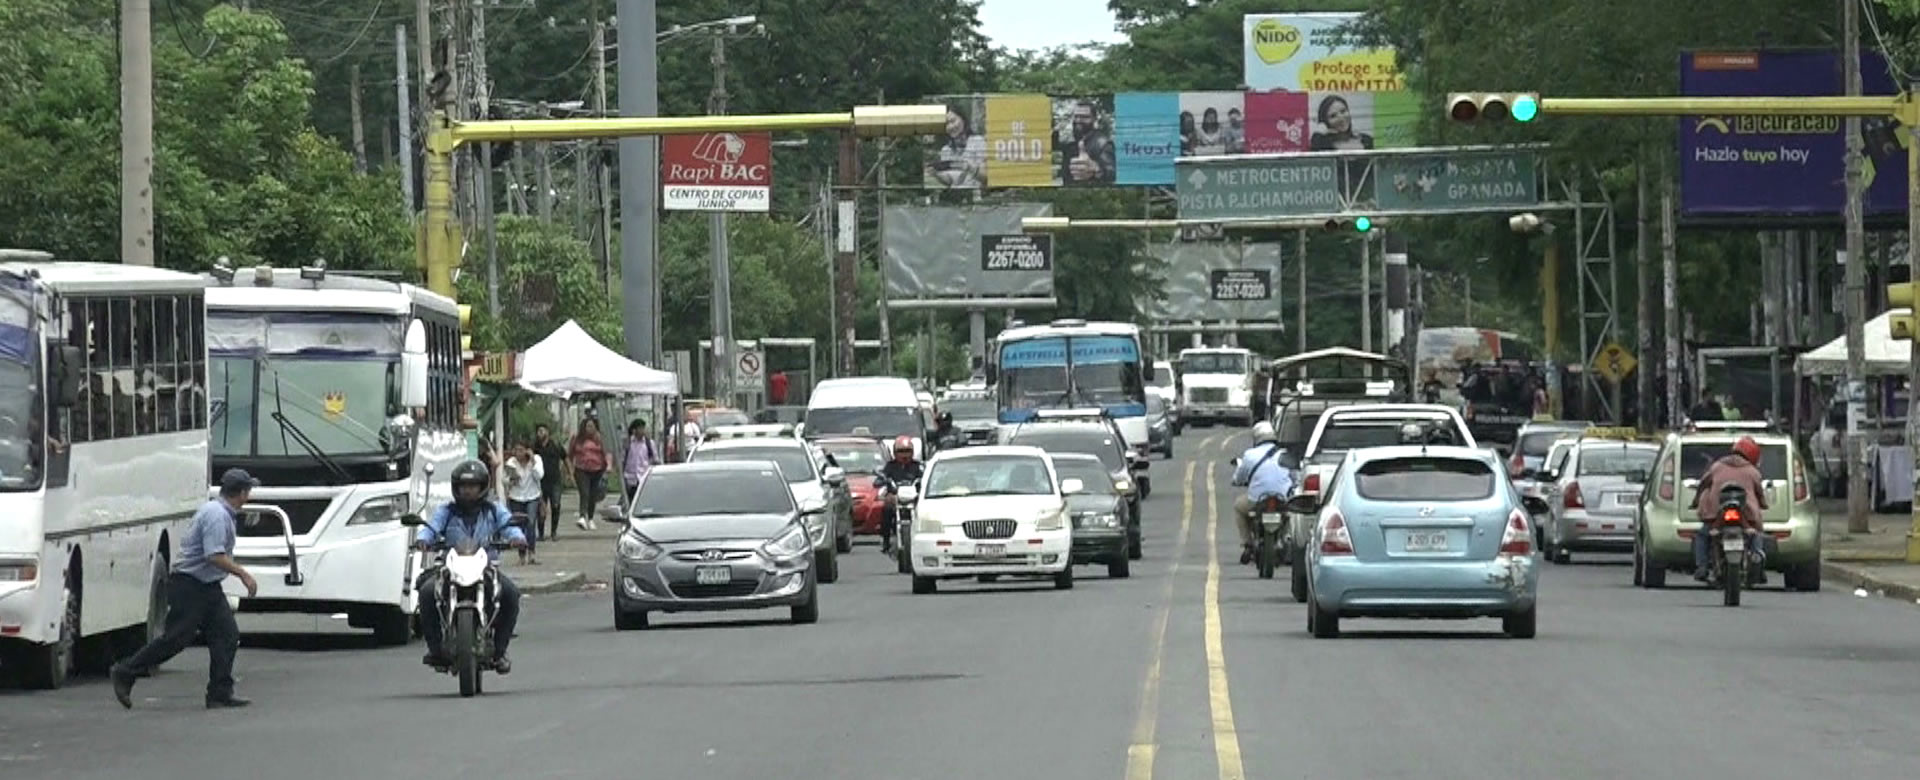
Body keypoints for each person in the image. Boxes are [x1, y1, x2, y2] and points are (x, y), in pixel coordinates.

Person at [111, 469, 262, 709]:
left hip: (207, 585)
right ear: (241, 492)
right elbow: (214, 556)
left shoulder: (222, 512)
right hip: (190, 584)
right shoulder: (216, 515)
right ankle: (125, 671)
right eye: (248, 492)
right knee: (175, 639)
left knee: (227, 635)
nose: (249, 497)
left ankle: (220, 692)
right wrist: (243, 574)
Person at [417, 460, 528, 673]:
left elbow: (508, 525)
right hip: (451, 566)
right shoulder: (447, 511)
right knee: (426, 591)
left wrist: (517, 538)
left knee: (511, 594)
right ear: (456, 488)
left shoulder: (493, 510)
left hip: (485, 567)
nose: (467, 491)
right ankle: (435, 650)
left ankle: (500, 651)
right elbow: (431, 527)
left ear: (482, 487)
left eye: (473, 486)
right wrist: (424, 539)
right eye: (463, 486)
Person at [1690, 436, 1770, 584]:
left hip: (1715, 514)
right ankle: (1758, 563)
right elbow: (1759, 494)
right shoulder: (1753, 472)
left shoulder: (1717, 467)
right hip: (1747, 515)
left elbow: (1703, 484)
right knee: (1756, 535)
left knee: (1702, 535)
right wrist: (1763, 504)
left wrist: (1696, 501)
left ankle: (1701, 566)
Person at [1230, 422, 1295, 565]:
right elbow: (1295, 475)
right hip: (1282, 498)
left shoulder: (1249, 455)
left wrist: (1236, 481)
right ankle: (1288, 539)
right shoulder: (1284, 454)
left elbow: (1239, 477)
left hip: (1257, 500)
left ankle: (1247, 544)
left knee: (1239, 507)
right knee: (1292, 513)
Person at [876, 435, 924, 555]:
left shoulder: (917, 466)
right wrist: (882, 481)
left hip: (914, 498)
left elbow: (926, 478)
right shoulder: (890, 466)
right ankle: (885, 539)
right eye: (901, 451)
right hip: (896, 497)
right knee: (886, 506)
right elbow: (880, 478)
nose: (904, 455)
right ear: (895, 452)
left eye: (907, 451)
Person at [502, 440, 544, 565]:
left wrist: (532, 461)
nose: (518, 453)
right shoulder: (511, 463)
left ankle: (532, 552)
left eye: (521, 450)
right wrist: (511, 479)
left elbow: (539, 475)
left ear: (527, 450)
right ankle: (521, 554)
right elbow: (503, 479)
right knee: (519, 526)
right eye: (516, 450)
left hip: (532, 496)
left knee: (531, 523)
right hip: (516, 496)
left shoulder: (536, 460)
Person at [570, 418, 609, 530]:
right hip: (581, 469)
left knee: (593, 496)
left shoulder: (600, 439)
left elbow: (606, 453)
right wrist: (569, 471)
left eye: (592, 426)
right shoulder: (577, 439)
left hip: (597, 470)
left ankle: (590, 518)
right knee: (584, 493)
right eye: (588, 426)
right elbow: (570, 454)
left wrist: (608, 467)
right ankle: (582, 516)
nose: (590, 429)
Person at [533, 424, 567, 541]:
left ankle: (554, 532)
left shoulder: (556, 446)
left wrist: (569, 474)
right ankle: (541, 533)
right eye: (538, 431)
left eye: (542, 431)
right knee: (541, 508)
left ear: (548, 432)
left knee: (556, 506)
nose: (540, 433)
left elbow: (565, 458)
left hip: (555, 481)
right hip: (540, 482)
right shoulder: (535, 447)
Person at [620, 419, 660, 506]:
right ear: (634, 430)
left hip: (644, 478)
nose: (643, 431)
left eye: (643, 428)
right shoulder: (628, 443)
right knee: (631, 503)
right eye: (640, 428)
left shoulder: (649, 443)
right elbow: (623, 459)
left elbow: (655, 459)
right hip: (631, 479)